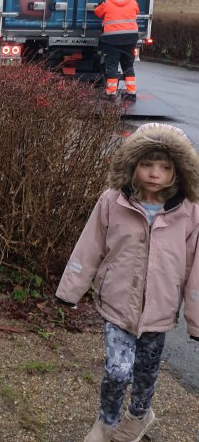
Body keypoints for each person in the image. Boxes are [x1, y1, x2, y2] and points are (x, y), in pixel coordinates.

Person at [56, 123, 199, 442]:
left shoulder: (189, 213)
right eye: (146, 164)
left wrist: (195, 320)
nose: (154, 173)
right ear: (133, 165)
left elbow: (194, 269)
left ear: (177, 172)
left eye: (164, 167)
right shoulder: (112, 201)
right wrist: (70, 290)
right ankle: (106, 422)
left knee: (146, 374)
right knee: (117, 371)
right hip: (117, 306)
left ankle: (139, 417)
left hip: (159, 313)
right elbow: (90, 246)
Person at [94, 0, 140, 102]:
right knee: (128, 66)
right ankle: (131, 94)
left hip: (112, 40)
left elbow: (98, 12)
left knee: (112, 66)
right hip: (130, 39)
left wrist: (98, 5)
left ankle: (111, 94)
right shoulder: (132, 1)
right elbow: (137, 11)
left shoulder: (108, 2)